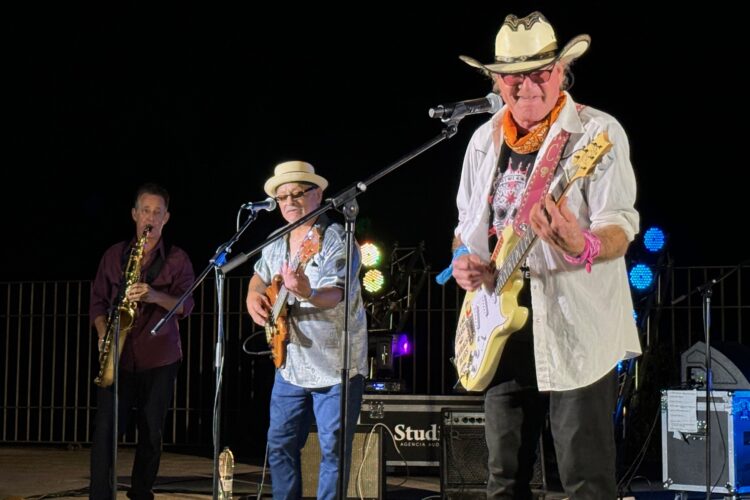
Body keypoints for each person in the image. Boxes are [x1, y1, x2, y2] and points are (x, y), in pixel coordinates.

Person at [449, 12, 642, 499]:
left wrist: (583, 244)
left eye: (540, 72)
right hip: (499, 326)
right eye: (514, 76)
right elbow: (464, 232)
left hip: (575, 324)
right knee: (503, 479)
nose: (527, 86)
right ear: (495, 81)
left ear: (562, 73)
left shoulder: (596, 134)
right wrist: (463, 263)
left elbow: (619, 225)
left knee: (584, 479)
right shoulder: (481, 141)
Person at [245, 161, 368, 500]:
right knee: (279, 444)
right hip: (291, 364)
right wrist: (253, 295)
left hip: (335, 366)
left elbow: (337, 293)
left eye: (297, 193)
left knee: (333, 453)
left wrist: (308, 292)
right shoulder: (275, 240)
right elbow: (259, 275)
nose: (289, 201)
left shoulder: (336, 239)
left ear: (317, 194)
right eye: (282, 196)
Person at [89, 182, 195, 500]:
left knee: (151, 432)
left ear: (166, 218)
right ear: (135, 214)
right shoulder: (114, 255)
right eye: (145, 211)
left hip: (160, 356)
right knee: (105, 432)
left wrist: (154, 294)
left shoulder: (178, 259)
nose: (150, 218)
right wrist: (101, 334)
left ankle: (141, 493)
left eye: (157, 212)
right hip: (117, 353)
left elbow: (186, 306)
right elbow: (97, 301)